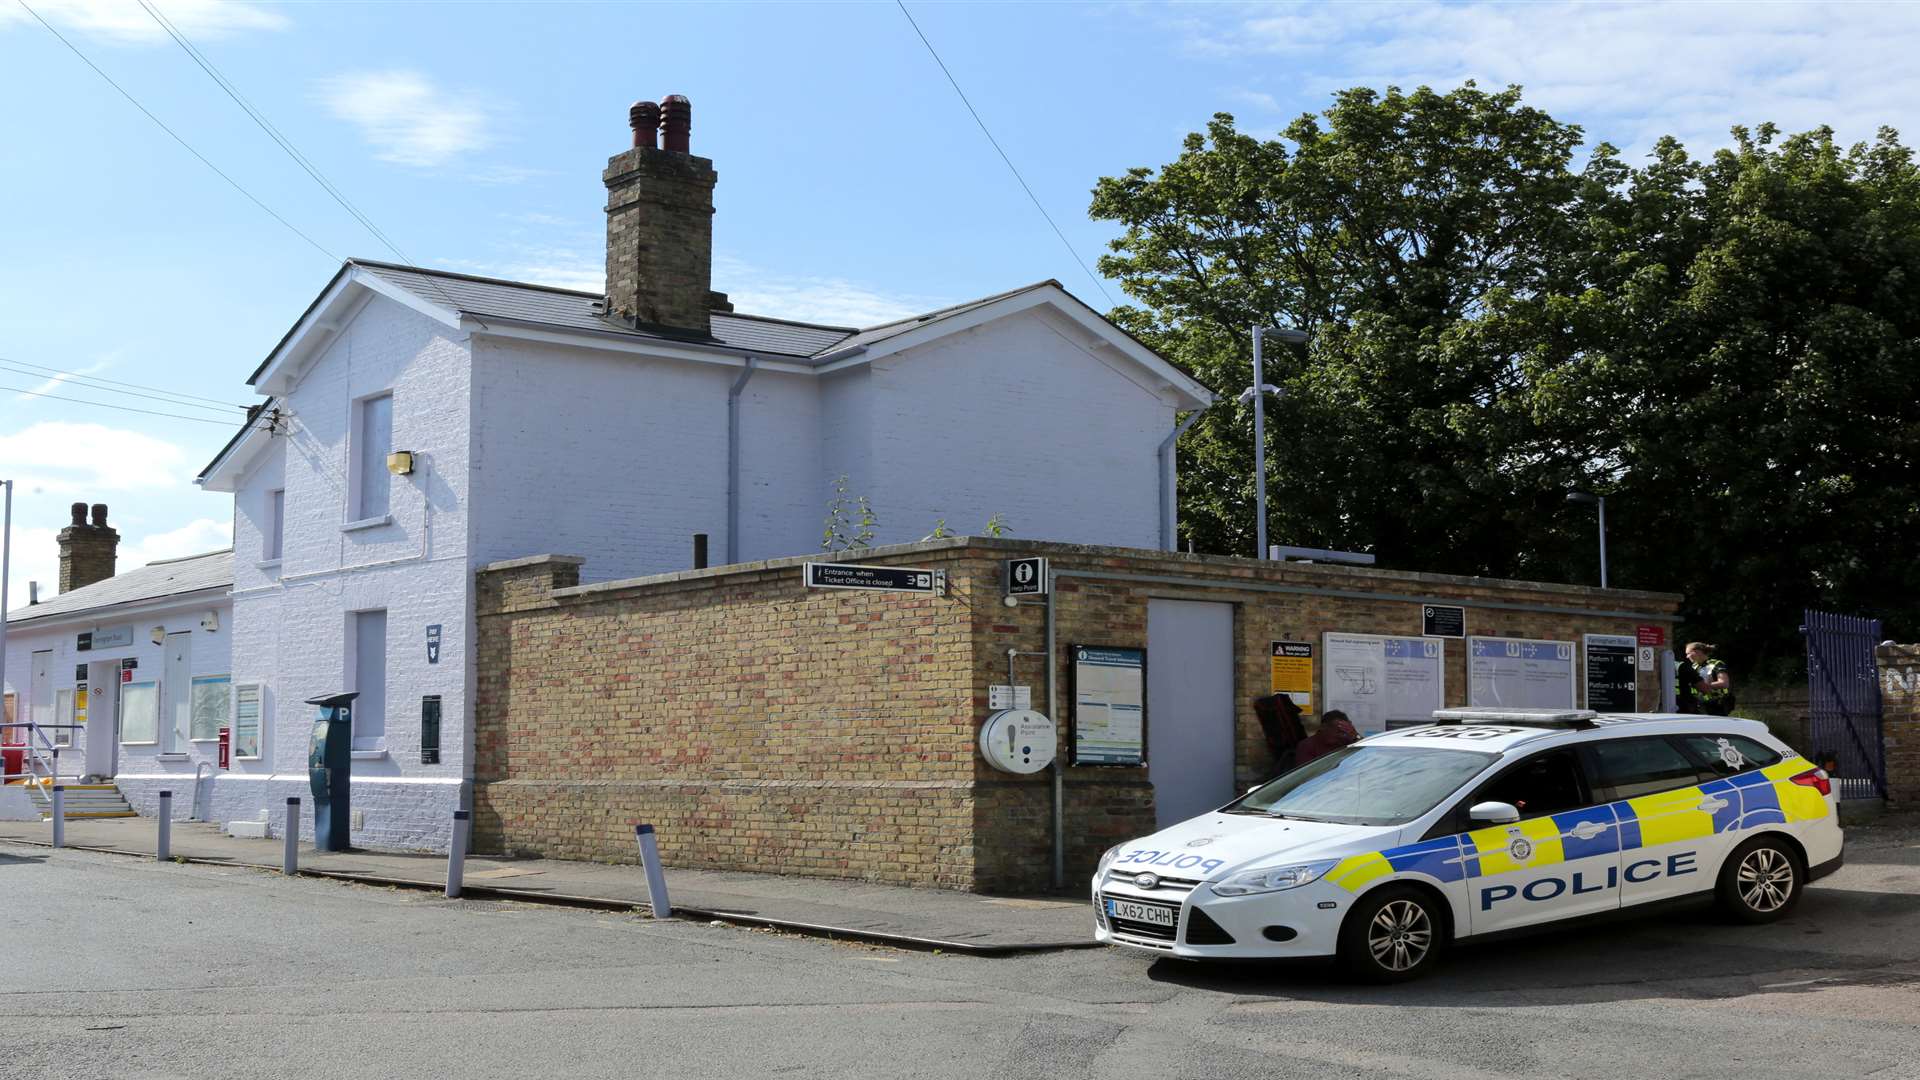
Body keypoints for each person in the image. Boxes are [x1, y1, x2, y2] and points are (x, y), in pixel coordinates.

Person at [1686, 642, 1735, 716]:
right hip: (1700, 705)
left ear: (1697, 652)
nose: (1687, 656)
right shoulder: (1694, 667)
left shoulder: (1716, 664)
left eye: (1688, 653)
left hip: (1718, 705)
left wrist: (1703, 685)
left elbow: (1724, 683)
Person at [1295, 710, 1359, 765]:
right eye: (1337, 729)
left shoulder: (1346, 740)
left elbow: (1365, 755)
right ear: (1324, 727)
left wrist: (1355, 735)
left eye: (1343, 731)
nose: (1340, 734)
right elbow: (1307, 773)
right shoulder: (1307, 745)